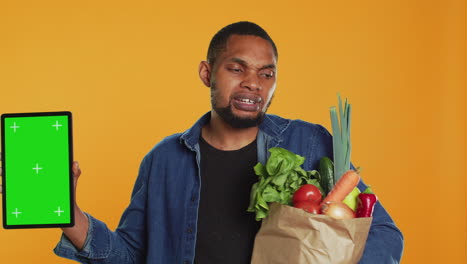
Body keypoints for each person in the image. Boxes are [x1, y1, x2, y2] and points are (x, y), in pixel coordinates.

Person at [0, 21, 404, 263]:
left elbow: (385, 236)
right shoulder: (163, 160)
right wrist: (66, 213)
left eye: (267, 74)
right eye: (237, 68)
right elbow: (130, 255)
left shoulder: (308, 141)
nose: (253, 82)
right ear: (207, 73)